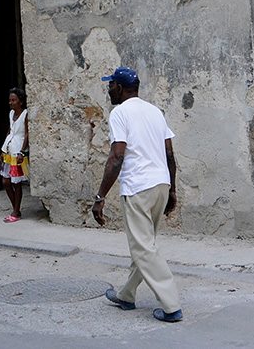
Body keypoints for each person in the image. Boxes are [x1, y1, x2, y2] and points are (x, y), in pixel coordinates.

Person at [92, 67, 182, 323]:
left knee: (144, 250)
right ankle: (127, 294)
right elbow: (170, 155)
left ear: (120, 88)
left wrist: (100, 197)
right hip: (160, 185)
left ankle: (171, 305)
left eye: (110, 85)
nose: (108, 89)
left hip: (138, 188)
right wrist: (172, 189)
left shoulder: (119, 113)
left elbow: (117, 156)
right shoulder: (155, 111)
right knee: (144, 246)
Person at [0, 87, 29, 222]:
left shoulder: (25, 114)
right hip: (9, 149)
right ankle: (15, 208)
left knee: (16, 183)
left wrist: (23, 151)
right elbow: (10, 131)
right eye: (10, 100)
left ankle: (16, 211)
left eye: (14, 100)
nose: (11, 102)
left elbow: (27, 133)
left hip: (18, 151)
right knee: (6, 181)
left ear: (20, 102)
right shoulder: (11, 114)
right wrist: (3, 149)